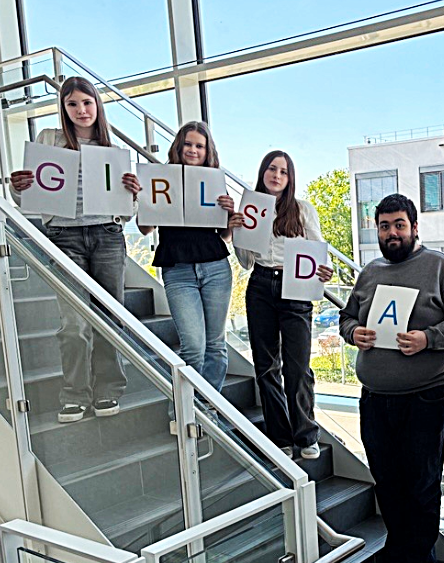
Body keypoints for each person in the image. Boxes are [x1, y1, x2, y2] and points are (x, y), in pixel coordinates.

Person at [338, 193, 444, 563]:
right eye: (384, 226)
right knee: (388, 484)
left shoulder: (440, 267)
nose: (391, 233)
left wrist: (427, 338)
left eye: (399, 224)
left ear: (415, 227)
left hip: (426, 397)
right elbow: (347, 317)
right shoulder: (370, 272)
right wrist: (353, 333)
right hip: (376, 399)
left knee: (420, 486)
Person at [10, 76, 141, 423]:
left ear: (97, 105)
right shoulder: (49, 140)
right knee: (73, 323)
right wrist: (18, 188)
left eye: (87, 102)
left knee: (110, 319)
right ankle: (74, 394)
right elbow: (30, 198)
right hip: (64, 236)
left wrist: (133, 193)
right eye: (72, 104)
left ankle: (108, 390)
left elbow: (125, 212)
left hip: (107, 235)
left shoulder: (111, 149)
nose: (81, 110)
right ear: (63, 109)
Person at [231, 151, 332, 460]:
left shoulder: (302, 210)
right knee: (266, 366)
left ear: (290, 179)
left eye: (283, 172)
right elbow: (246, 262)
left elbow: (317, 251)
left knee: (298, 366)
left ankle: (306, 434)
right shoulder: (252, 207)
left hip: (296, 288)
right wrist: (237, 233)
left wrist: (324, 271)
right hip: (261, 285)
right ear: (262, 173)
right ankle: (280, 436)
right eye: (272, 169)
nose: (276, 175)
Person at [140, 121, 234, 395]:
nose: (193, 150)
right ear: (178, 147)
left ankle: (211, 409)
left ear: (208, 152)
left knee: (216, 344)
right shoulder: (162, 179)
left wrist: (229, 212)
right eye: (188, 144)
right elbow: (146, 228)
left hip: (215, 267)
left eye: (199, 146)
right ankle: (188, 412)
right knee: (193, 346)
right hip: (177, 270)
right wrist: (143, 200)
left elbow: (226, 235)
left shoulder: (214, 181)